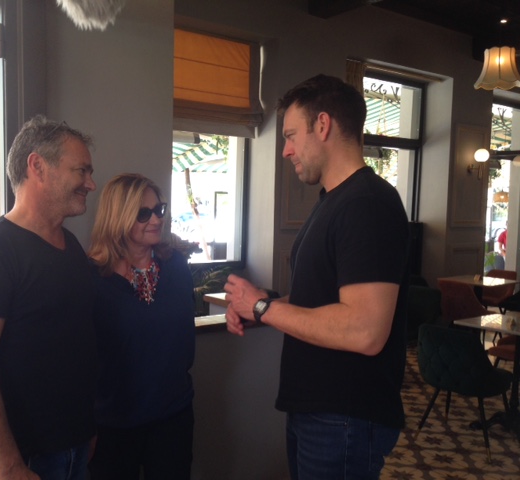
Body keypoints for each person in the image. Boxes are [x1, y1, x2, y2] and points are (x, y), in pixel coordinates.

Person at [224, 74, 410, 479]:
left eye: (291, 136)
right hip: (320, 413)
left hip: (344, 418)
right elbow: (321, 302)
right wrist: (260, 306)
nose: (286, 150)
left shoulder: (367, 204)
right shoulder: (335, 201)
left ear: (323, 125)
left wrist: (263, 307)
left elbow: (364, 330)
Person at [0, 115, 98, 480]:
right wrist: (8, 465)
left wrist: (86, 429)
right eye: (81, 171)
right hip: (25, 460)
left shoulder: (71, 246)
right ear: (37, 166)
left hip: (74, 447)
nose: (91, 184)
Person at [87, 173, 195, 480]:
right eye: (143, 213)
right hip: (112, 423)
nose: (156, 219)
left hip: (172, 415)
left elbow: (184, 341)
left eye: (159, 210)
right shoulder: (92, 278)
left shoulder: (175, 268)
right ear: (118, 217)